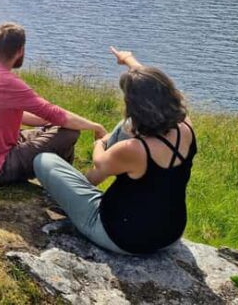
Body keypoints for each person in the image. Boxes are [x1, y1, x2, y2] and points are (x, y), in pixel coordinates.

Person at [33, 47, 197, 255]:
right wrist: (129, 61)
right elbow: (155, 88)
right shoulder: (186, 126)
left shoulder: (134, 149)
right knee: (125, 125)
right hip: (170, 234)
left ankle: (81, 197)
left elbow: (100, 162)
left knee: (43, 160)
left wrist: (99, 143)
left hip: (122, 236)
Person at [0, 22, 107, 185]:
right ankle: (63, 189)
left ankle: (60, 183)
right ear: (20, 51)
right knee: (70, 133)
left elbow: (25, 115)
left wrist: (50, 121)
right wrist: (96, 127)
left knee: (60, 126)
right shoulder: (7, 82)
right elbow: (55, 113)